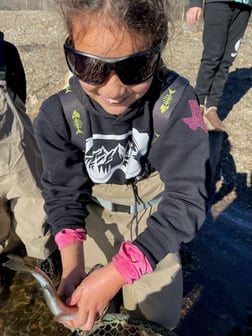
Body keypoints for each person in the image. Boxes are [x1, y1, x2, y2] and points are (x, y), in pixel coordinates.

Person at [34, 0, 210, 332]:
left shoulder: (176, 103)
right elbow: (62, 193)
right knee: (82, 314)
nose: (113, 89)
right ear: (70, 51)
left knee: (157, 318)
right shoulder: (58, 115)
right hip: (94, 215)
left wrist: (118, 272)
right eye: (90, 67)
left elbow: (188, 198)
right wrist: (73, 270)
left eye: (134, 67)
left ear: (157, 53)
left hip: (156, 217)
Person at [0, 32, 56, 259]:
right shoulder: (7, 51)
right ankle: (39, 264)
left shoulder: (7, 52)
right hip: (10, 123)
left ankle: (33, 264)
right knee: (31, 197)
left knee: (30, 197)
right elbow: (19, 94)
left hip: (10, 124)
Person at [186, 0, 252, 131]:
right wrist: (195, 3)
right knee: (211, 57)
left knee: (227, 59)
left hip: (244, 6)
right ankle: (196, 105)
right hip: (218, 3)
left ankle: (212, 108)